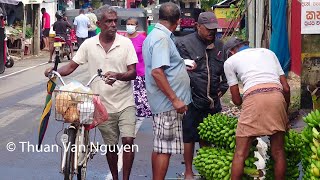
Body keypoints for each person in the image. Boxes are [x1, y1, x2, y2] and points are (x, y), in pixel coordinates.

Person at [45, 5, 138, 180]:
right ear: (100, 24)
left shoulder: (125, 43)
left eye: (115, 21)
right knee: (111, 147)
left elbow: (133, 72)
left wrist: (118, 75)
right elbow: (72, 66)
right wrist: (54, 70)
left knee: (128, 141)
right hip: (102, 105)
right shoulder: (89, 44)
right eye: (108, 21)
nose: (113, 25)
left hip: (125, 102)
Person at [223, 37, 290, 180]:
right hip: (276, 97)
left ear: (231, 52)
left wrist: (245, 99)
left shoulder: (230, 62)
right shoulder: (268, 53)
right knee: (278, 151)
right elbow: (286, 87)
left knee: (240, 153)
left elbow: (235, 100)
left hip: (253, 98)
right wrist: (285, 113)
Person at [175, 11, 228, 179]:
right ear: (198, 26)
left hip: (213, 99)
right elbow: (177, 69)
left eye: (214, 29)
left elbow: (227, 69)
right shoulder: (184, 43)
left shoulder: (220, 46)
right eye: (208, 29)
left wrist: (224, 86)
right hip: (191, 98)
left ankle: (207, 168)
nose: (211, 32)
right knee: (189, 135)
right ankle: (189, 171)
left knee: (209, 135)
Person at [142, 2, 192, 180]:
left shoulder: (155, 35)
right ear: (178, 21)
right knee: (165, 149)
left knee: (160, 147)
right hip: (167, 104)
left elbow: (162, 68)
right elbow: (157, 71)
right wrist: (175, 99)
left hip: (163, 102)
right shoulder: (162, 38)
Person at [125, 17, 152, 134]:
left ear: (136, 26)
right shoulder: (122, 40)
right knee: (127, 101)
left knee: (139, 101)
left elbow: (149, 55)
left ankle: (136, 125)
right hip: (125, 74)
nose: (130, 26)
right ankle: (128, 123)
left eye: (132, 24)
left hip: (139, 74)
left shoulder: (142, 39)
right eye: (128, 24)